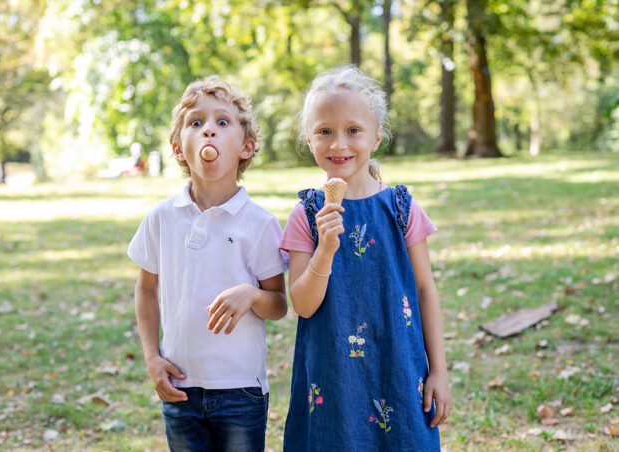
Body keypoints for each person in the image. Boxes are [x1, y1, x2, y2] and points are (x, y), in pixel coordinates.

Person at [281, 65, 452, 451]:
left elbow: (425, 290)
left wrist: (438, 371)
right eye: (325, 131)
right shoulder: (306, 214)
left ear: (376, 137)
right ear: (310, 140)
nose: (339, 143)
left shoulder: (402, 208)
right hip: (333, 373)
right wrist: (324, 249)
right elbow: (303, 305)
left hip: (399, 365)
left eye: (353, 130)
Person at [128, 75, 288, 452]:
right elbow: (146, 288)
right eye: (196, 123)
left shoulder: (259, 223)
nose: (208, 132)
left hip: (240, 392)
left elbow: (279, 304)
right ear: (178, 147)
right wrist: (152, 356)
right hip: (180, 387)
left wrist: (251, 294)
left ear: (246, 147)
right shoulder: (161, 218)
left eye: (222, 122)